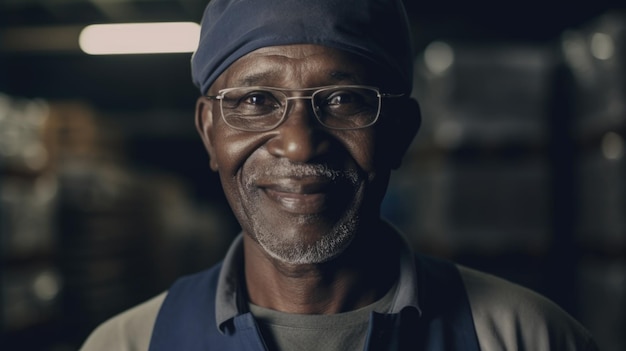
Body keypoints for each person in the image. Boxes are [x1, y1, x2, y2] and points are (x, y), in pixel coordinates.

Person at [81, 0, 598, 350]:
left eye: (344, 100)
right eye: (257, 101)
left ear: (400, 132)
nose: (299, 142)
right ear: (209, 131)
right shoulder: (129, 343)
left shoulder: (523, 337)